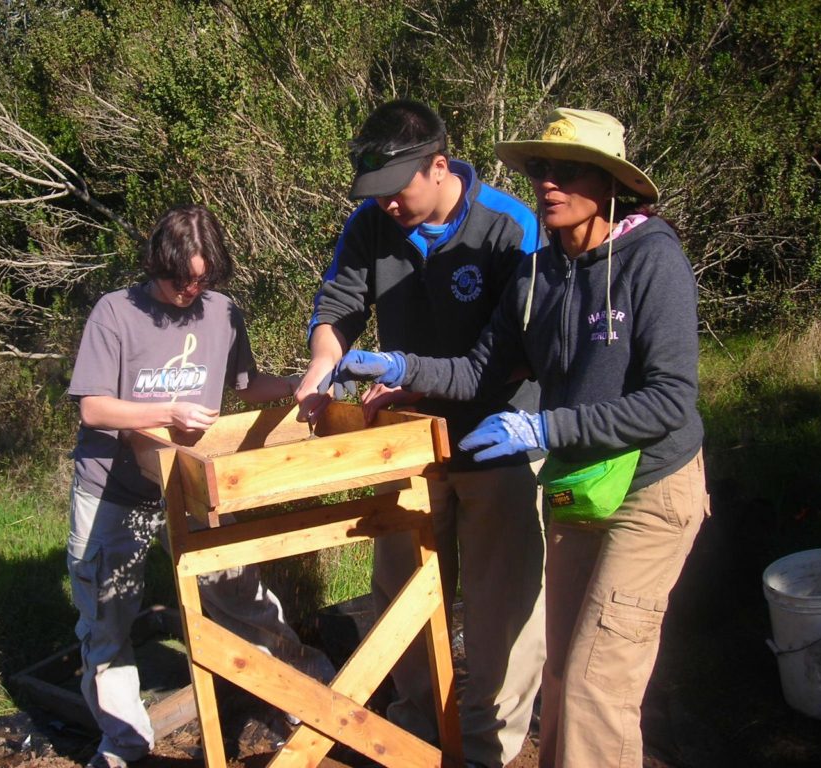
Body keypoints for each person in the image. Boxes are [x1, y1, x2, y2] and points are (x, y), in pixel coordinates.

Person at [332, 108, 710, 768]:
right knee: (562, 678)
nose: (548, 183)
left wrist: (542, 426)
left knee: (595, 688)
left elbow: (671, 401)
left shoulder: (653, 261)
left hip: (648, 488)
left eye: (568, 171)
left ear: (610, 184)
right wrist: (400, 367)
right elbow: (478, 369)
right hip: (579, 485)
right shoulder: (539, 274)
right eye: (540, 168)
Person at [294, 99, 546, 768]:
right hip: (407, 446)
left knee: (501, 611)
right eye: (374, 193)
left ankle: (488, 749)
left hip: (499, 443)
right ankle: (414, 734)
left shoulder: (510, 228)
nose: (386, 205)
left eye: (395, 189)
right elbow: (337, 307)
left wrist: (415, 380)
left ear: (439, 166)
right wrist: (322, 368)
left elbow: (521, 352)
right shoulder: (372, 224)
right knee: (403, 594)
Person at [67, 204, 335, 768]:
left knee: (239, 593)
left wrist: (299, 385)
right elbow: (94, 407)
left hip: (193, 485)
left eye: (203, 279)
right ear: (157, 264)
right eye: (181, 280)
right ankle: (124, 743)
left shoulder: (222, 312)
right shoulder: (115, 313)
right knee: (106, 619)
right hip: (113, 488)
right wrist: (167, 411)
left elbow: (245, 384)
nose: (191, 290)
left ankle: (306, 691)